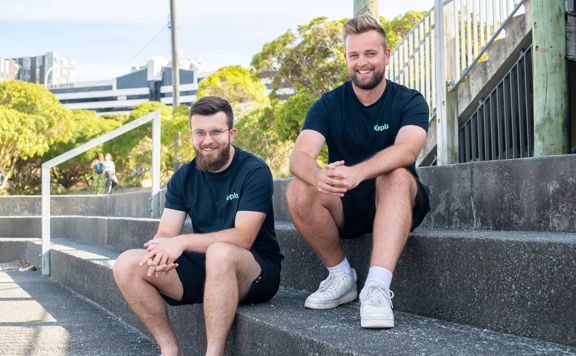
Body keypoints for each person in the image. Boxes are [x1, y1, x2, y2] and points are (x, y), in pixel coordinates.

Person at [285, 15, 430, 329]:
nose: (362, 63)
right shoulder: (328, 104)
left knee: (394, 173)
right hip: (346, 203)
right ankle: (341, 275)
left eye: (370, 54)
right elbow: (299, 157)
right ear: (346, 59)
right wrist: (318, 175)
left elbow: (407, 150)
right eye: (354, 55)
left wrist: (358, 172)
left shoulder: (409, 101)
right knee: (298, 188)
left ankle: (376, 287)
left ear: (386, 56)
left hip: (396, 200)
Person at [113, 96, 283, 356]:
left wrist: (181, 242)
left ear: (231, 133)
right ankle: (169, 349)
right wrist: (160, 253)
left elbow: (243, 237)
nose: (207, 140)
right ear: (191, 135)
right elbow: (167, 232)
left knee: (220, 251)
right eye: (200, 133)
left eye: (216, 131)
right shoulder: (183, 177)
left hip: (255, 270)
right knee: (127, 264)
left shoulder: (254, 171)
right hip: (208, 268)